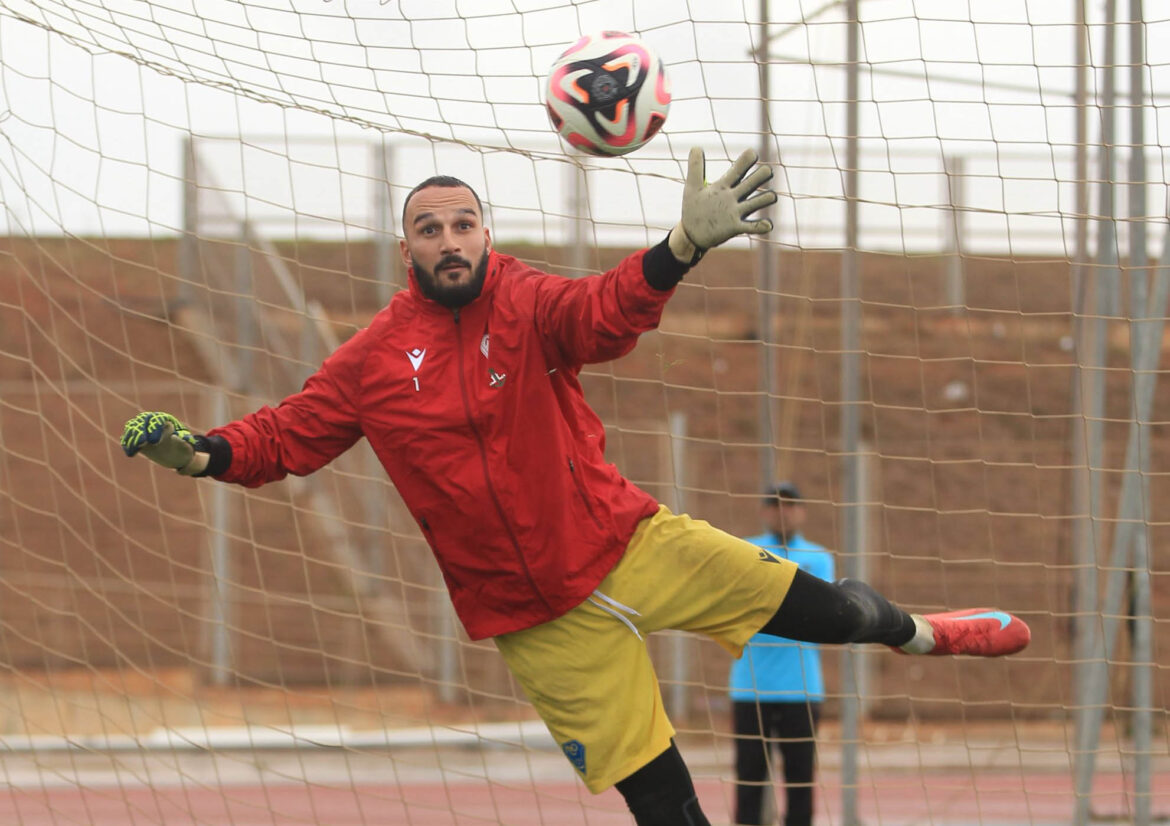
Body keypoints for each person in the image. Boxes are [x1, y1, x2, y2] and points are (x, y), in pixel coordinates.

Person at [119, 148, 1030, 826]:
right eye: (429, 228)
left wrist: (680, 248)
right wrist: (200, 451)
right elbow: (287, 436)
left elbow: (602, 312)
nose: (449, 240)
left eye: (463, 223)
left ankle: (915, 633)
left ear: (485, 232)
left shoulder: (521, 300)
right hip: (529, 616)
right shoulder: (369, 362)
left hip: (626, 540)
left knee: (839, 617)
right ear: (406, 246)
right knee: (664, 807)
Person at [730, 482, 832, 826]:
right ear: (763, 511)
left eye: (789, 505)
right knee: (749, 779)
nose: (782, 511)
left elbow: (818, 614)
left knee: (800, 779)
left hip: (801, 689)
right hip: (750, 688)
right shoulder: (744, 550)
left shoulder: (818, 559)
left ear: (801, 511)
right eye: (774, 505)